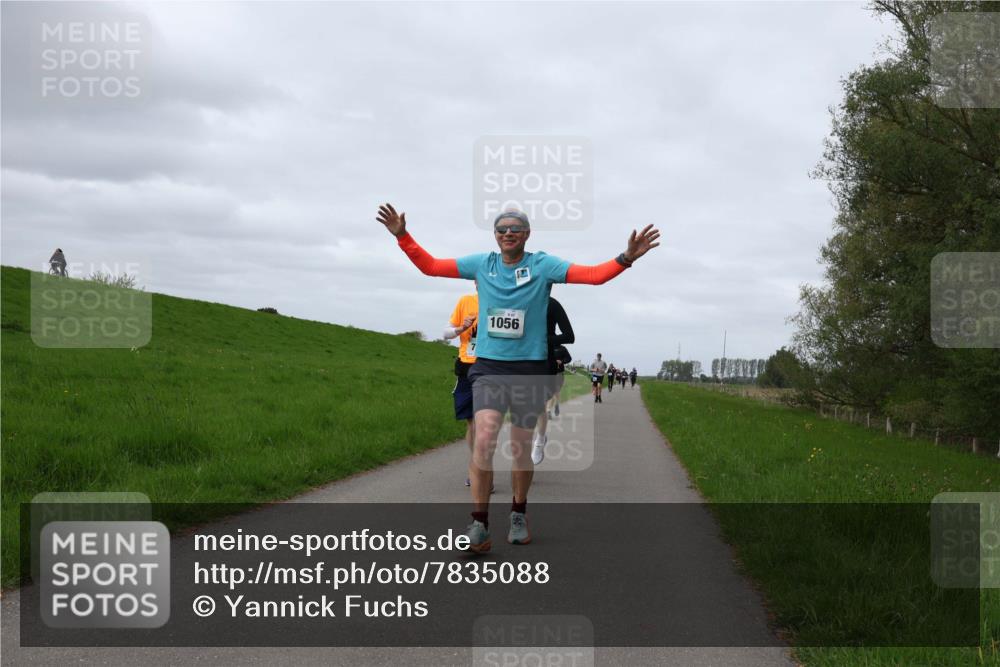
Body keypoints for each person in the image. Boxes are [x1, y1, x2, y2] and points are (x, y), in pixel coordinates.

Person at [377, 203, 659, 552]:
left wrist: (626, 257)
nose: (508, 233)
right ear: (495, 236)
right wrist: (402, 236)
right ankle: (479, 526)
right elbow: (431, 266)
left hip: (528, 370)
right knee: (483, 440)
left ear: (527, 234)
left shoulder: (542, 266)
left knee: (519, 448)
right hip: (489, 368)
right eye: (501, 229)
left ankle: (518, 513)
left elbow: (593, 275)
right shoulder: (482, 264)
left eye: (515, 228)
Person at [443, 284, 492, 493]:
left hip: (491, 367)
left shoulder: (503, 303)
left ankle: (485, 470)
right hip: (466, 368)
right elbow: (446, 333)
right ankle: (477, 467)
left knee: (486, 425)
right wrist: (461, 328)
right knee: (472, 424)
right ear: (476, 283)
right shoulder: (465, 301)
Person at [532, 297, 574, 465]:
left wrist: (544, 339)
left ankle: (540, 439)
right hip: (518, 357)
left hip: (544, 360)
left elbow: (569, 336)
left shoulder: (552, 304)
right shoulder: (516, 297)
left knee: (538, 405)